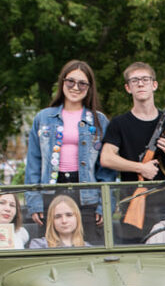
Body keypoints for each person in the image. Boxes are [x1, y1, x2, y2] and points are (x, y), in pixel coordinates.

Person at [24, 60, 113, 244]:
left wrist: (105, 205)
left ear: (89, 87)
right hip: (51, 190)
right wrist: (34, 202)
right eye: (70, 81)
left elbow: (106, 169)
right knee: (52, 245)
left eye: (82, 83)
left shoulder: (99, 121)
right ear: (62, 82)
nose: (75, 87)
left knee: (90, 246)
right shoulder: (43, 118)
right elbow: (34, 163)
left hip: (87, 194)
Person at [100, 62, 165, 182]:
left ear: (154, 85)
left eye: (145, 79)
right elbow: (106, 158)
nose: (140, 84)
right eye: (134, 80)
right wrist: (140, 168)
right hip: (131, 194)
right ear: (128, 88)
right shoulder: (119, 123)